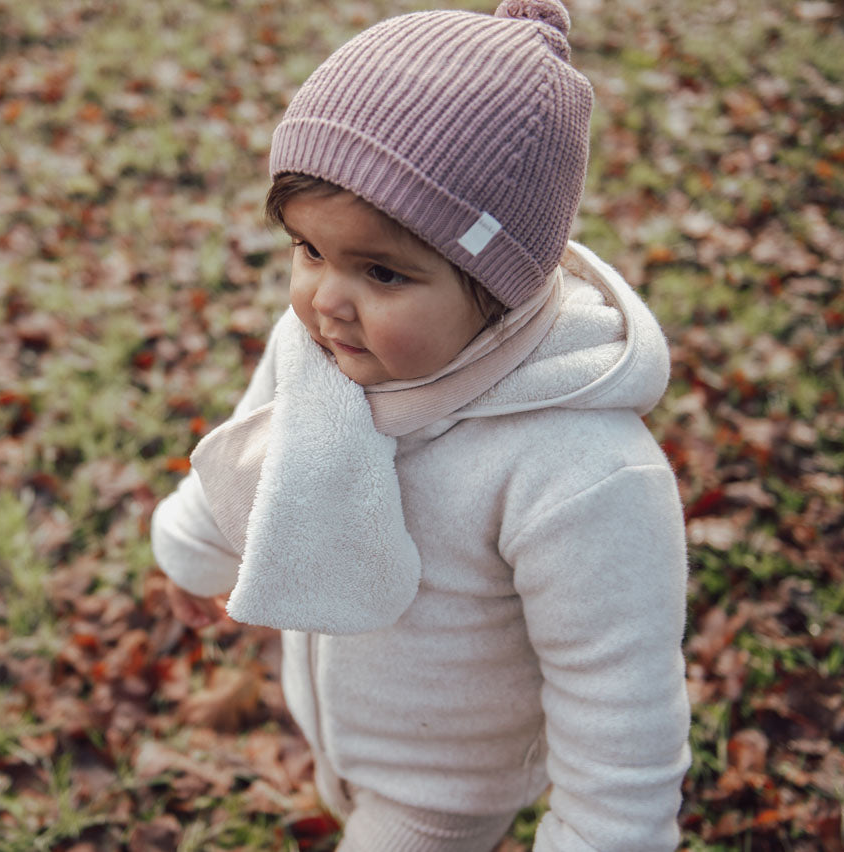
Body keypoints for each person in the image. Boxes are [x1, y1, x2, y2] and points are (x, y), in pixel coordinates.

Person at [150, 1, 691, 849]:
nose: (325, 301)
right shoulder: (325, 346)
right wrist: (195, 545)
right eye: (309, 251)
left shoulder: (581, 473)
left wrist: (603, 835)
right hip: (348, 728)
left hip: (443, 791)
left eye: (382, 273)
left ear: (497, 285)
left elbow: (618, 697)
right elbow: (260, 441)